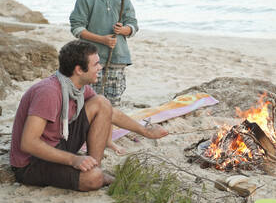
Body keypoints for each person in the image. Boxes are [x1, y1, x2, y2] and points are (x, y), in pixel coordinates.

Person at [10, 40, 168, 191]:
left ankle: (94, 165)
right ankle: (97, 174)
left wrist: (146, 131)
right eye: (96, 64)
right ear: (79, 70)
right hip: (31, 163)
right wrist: (74, 159)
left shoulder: (77, 87)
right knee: (92, 178)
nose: (100, 67)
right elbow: (28, 143)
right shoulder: (48, 92)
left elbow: (110, 113)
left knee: (102, 102)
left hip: (58, 143)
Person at [70, 0, 137, 108]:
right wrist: (102, 40)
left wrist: (123, 30)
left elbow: (133, 25)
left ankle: (108, 130)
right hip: (91, 59)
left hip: (118, 58)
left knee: (112, 102)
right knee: (90, 100)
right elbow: (77, 27)